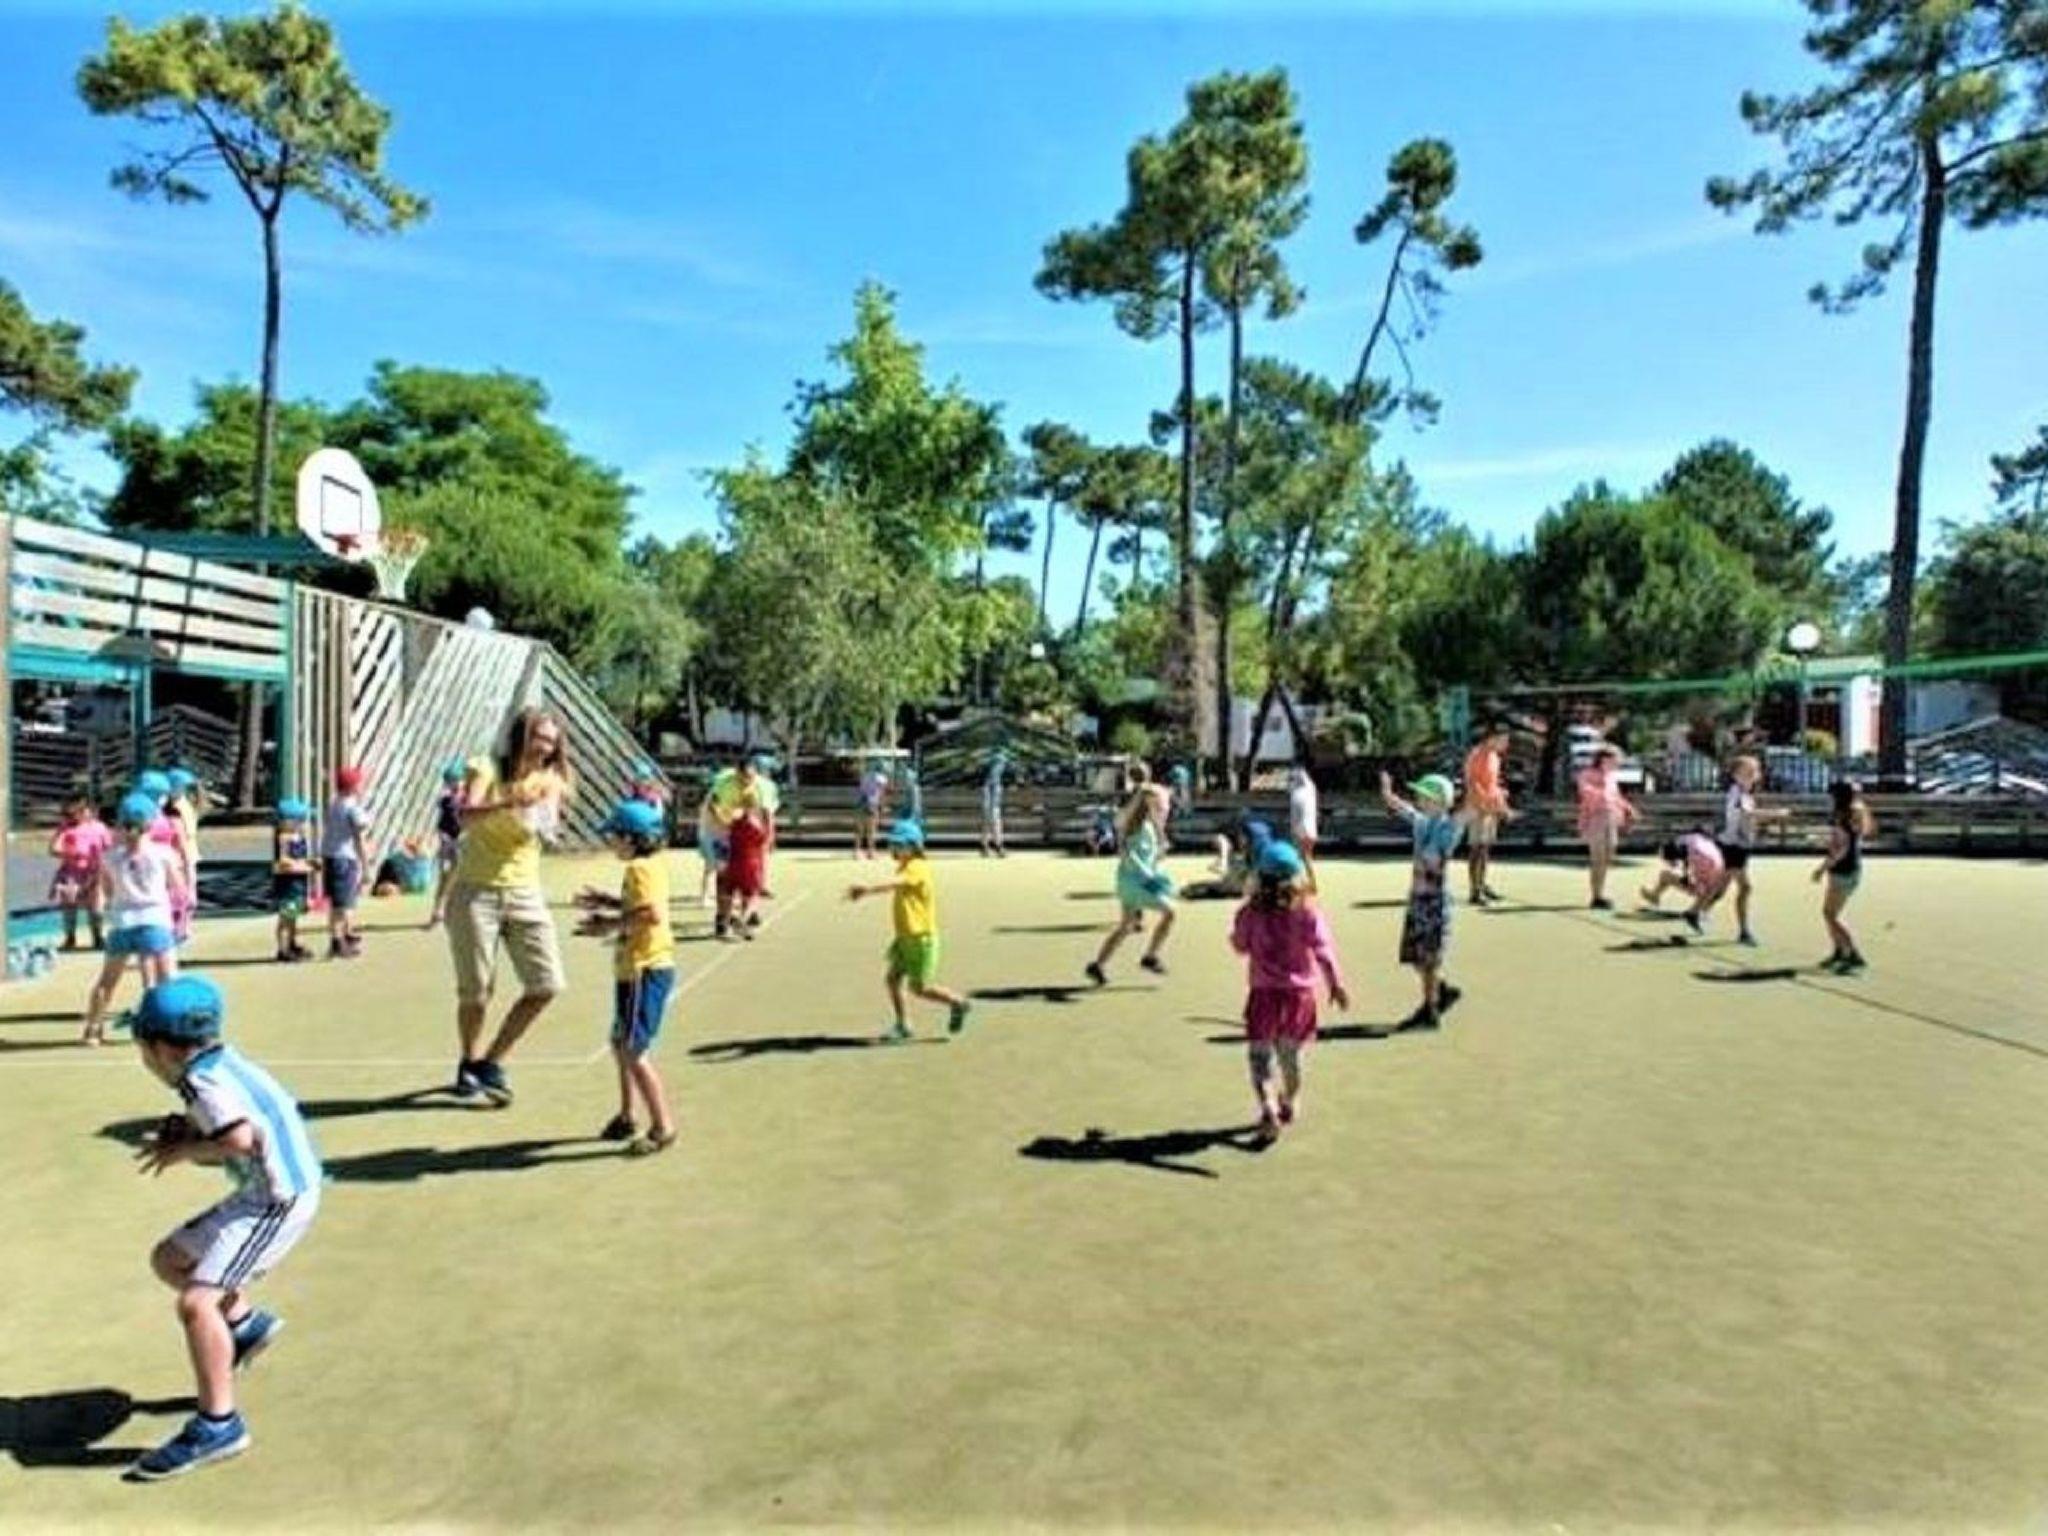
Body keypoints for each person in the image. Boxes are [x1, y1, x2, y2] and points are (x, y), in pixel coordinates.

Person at [126, 975, 321, 1481]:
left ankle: (219, 1424)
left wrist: (182, 1150)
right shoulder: (223, 1062)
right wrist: (191, 1131)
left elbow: (237, 1140)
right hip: (264, 1193)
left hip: (277, 1202)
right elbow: (244, 1123)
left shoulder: (199, 1082)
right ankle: (244, 1325)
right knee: (170, 1259)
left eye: (141, 1046)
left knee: (196, 1304)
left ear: (162, 1049)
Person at [444, 709, 572, 1106]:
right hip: (476, 891)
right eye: (539, 738)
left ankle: (491, 1061)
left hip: (525, 891)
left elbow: (548, 827)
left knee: (546, 984)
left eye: (551, 742)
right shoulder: (486, 768)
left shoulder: (550, 779)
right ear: (521, 736)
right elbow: (464, 817)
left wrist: (548, 815)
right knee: (477, 990)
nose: (544, 748)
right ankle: (469, 1062)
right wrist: (506, 803)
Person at [575, 801, 679, 1154]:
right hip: (635, 969)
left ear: (631, 838)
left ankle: (663, 1127)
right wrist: (609, 901)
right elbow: (641, 906)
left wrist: (608, 924)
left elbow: (650, 914)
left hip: (644, 969)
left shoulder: (639, 869)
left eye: (615, 836)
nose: (611, 842)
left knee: (633, 1050)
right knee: (620, 1042)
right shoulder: (649, 866)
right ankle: (627, 1115)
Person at [1229, 839, 1349, 1143]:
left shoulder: (1250, 913)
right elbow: (1323, 950)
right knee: (1290, 1056)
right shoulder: (1307, 913)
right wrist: (1335, 984)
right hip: (1299, 997)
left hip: (1263, 995)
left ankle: (1269, 1108)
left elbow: (1240, 946)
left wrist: (1240, 936)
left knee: (1259, 1058)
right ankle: (1289, 1099)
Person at [846, 820, 972, 1042]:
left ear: (914, 846)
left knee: (920, 988)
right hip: (905, 937)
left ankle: (958, 1003)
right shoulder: (905, 866)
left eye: (900, 845)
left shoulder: (917, 867)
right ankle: (903, 1025)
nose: (894, 849)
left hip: (920, 938)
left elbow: (897, 883)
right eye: (893, 844)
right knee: (893, 979)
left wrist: (868, 889)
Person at [83, 791, 185, 1046]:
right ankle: (169, 1028)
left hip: (122, 921)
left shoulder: (109, 857)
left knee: (107, 981)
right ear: (151, 823)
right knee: (167, 978)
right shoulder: (164, 853)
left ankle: (93, 1028)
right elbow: (178, 887)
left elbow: (106, 891)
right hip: (155, 918)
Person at [1379, 770, 1465, 1030]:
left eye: (1424, 797)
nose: (1418, 800)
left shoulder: (1448, 828)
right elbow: (1403, 808)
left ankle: (1430, 1011)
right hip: (1417, 897)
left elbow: (1464, 817)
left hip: (1434, 901)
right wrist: (1387, 792)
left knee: (1429, 960)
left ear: (1439, 802)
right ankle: (1440, 991)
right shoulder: (1421, 822)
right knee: (1415, 956)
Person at [1086, 763, 1176, 984]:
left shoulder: (1151, 826)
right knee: (1170, 913)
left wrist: (1160, 850)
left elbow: (1153, 849)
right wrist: (1147, 875)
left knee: (1126, 926)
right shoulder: (1132, 824)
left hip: (1132, 880)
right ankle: (1150, 956)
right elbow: (1126, 852)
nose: (1163, 808)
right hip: (1134, 880)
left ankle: (1098, 965)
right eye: (1159, 804)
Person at [1703, 754, 1783, 945]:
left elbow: (1748, 819)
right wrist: (1775, 814)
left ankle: (1698, 911)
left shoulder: (1745, 794)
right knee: (1744, 888)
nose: (1753, 775)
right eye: (1747, 772)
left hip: (1739, 846)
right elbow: (1749, 814)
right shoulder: (1737, 793)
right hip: (1733, 847)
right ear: (1736, 775)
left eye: (1754, 771)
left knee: (1722, 888)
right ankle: (1744, 931)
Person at [1815, 780, 1874, 973]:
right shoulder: (1856, 813)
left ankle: (1853, 953)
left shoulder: (1844, 816)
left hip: (1843, 869)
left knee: (1832, 915)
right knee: (1829, 913)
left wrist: (1823, 867)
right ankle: (1839, 950)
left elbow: (1841, 848)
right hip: (1851, 867)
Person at [1575, 745, 1637, 911]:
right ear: (1605, 759)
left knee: (1609, 853)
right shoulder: (1587, 774)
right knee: (1598, 857)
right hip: (1596, 816)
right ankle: (1597, 896)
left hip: (1611, 817)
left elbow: (1616, 796)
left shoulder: (1611, 777)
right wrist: (1602, 791)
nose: (1618, 763)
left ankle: (1600, 890)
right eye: (1615, 759)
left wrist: (1628, 809)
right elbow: (1585, 791)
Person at [48, 796, 112, 951]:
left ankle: (97, 937)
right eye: (68, 814)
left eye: (74, 813)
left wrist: (103, 871)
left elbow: (108, 847)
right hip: (70, 874)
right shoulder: (66, 828)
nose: (70, 817)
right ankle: (70, 937)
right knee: (69, 907)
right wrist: (71, 853)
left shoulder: (99, 828)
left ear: (86, 811)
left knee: (96, 907)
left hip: (94, 873)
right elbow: (53, 848)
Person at [321, 766, 370, 960]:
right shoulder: (352, 808)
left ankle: (342, 937)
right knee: (342, 904)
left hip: (330, 856)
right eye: (359, 784)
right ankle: (337, 941)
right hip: (344, 858)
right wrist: (366, 866)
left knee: (339, 902)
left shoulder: (334, 804)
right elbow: (360, 838)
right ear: (352, 787)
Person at [1462, 723, 1513, 905]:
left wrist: (1501, 805)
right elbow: (1473, 782)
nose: (1506, 744)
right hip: (1478, 807)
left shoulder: (1494, 757)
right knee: (1477, 848)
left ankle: (1482, 884)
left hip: (1490, 808)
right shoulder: (1477, 755)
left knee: (1485, 848)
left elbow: (1493, 784)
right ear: (1492, 738)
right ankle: (1474, 890)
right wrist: (1484, 803)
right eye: (1503, 740)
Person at [716, 799, 771, 941]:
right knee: (752, 895)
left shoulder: (731, 823)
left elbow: (722, 840)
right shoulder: (754, 824)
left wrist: (721, 862)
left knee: (729, 894)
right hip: (750, 863)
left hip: (732, 862)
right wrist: (767, 823)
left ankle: (725, 926)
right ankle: (742, 920)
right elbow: (764, 840)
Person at [271, 799, 315, 964]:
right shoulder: (284, 838)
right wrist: (303, 866)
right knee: (286, 918)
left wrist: (309, 863)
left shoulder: (298, 838)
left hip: (297, 884)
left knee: (293, 917)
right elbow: (284, 862)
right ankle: (283, 949)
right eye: (299, 820)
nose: (302, 824)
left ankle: (292, 943)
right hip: (288, 885)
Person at [1639, 830, 1725, 915]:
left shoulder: (1697, 857)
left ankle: (1696, 909)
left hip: (1711, 885)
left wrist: (1688, 880)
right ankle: (1654, 895)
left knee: (1666, 875)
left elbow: (1704, 885)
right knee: (1666, 875)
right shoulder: (1690, 841)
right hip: (1717, 871)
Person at [426, 759, 467, 930]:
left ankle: (455, 912)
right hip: (449, 841)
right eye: (450, 781)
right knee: (445, 876)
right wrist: (443, 839)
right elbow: (442, 824)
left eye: (457, 780)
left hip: (464, 841)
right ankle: (438, 911)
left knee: (462, 877)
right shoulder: (446, 800)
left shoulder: (468, 798)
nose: (454, 784)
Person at [1286, 764, 1321, 875]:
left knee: (1301, 857)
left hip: (1302, 831)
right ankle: (1308, 880)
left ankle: (1305, 880)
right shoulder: (1310, 791)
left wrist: (1294, 832)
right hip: (1311, 831)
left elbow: (1295, 816)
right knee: (1306, 856)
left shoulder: (1297, 794)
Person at [853, 758, 891, 860]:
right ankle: (871, 852)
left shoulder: (865, 776)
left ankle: (857, 852)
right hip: (872, 805)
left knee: (860, 830)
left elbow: (861, 790)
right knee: (872, 831)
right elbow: (881, 795)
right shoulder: (882, 779)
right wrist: (883, 807)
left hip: (860, 804)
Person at [980, 750, 1008, 858]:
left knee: (993, 817)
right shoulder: (997, 758)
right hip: (989, 786)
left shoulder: (999, 758)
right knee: (990, 817)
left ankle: (994, 845)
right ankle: (992, 845)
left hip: (994, 787)